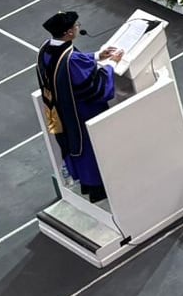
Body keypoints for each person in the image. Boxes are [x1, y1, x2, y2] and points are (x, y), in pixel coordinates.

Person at [37, 11, 125, 203]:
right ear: (69, 32)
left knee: (75, 146)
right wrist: (110, 63)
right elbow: (96, 88)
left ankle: (86, 183)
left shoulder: (46, 48)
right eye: (77, 26)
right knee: (89, 148)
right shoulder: (70, 59)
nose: (78, 27)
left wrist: (96, 56)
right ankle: (98, 188)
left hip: (61, 108)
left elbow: (69, 67)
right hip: (82, 111)